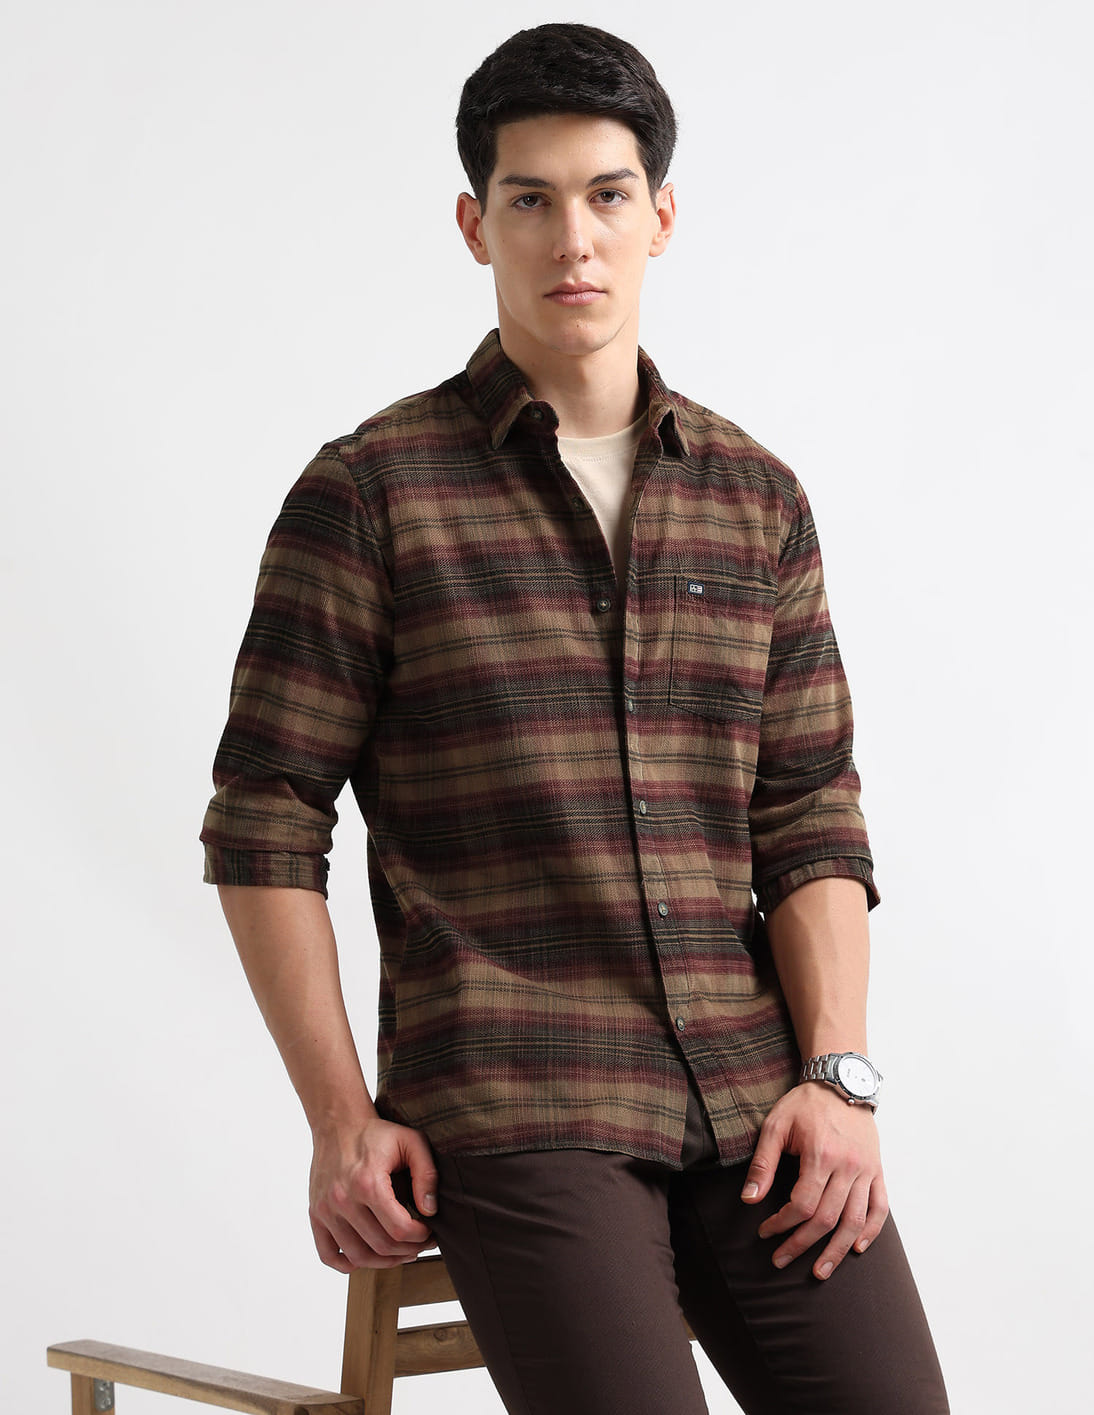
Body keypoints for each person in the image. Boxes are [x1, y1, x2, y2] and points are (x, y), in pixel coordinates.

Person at [201, 22, 948, 1415]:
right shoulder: (371, 495)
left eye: (606, 195)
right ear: (474, 225)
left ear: (660, 216)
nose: (573, 240)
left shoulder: (753, 496)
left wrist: (838, 1081)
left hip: (754, 1091)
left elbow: (809, 813)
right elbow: (264, 821)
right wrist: (339, 1121)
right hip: (518, 1092)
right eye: (531, 200)